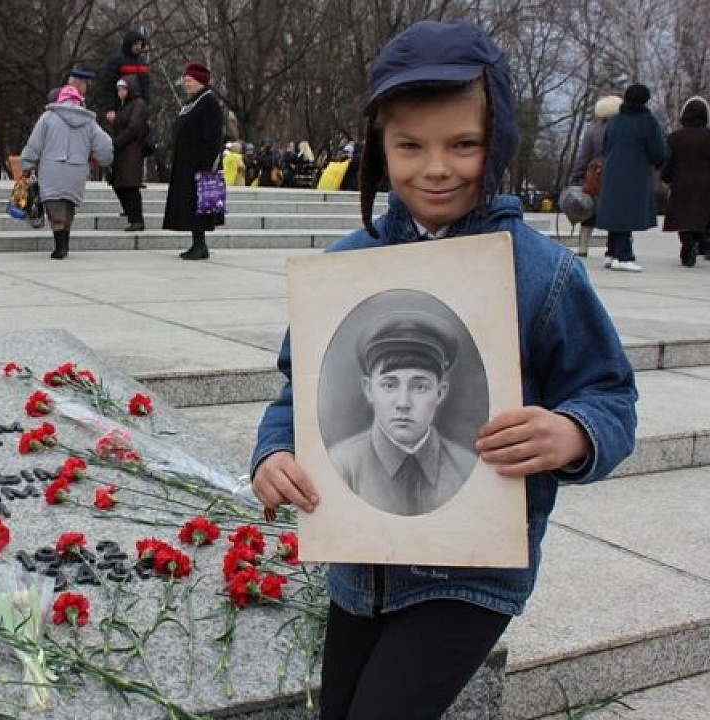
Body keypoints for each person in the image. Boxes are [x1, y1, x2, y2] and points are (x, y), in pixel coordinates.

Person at [249, 21, 636, 720]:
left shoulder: (541, 273)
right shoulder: (345, 267)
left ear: (501, 140)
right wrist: (274, 451)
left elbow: (609, 392)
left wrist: (573, 433)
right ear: (379, 150)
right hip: (357, 569)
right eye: (410, 146)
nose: (437, 167)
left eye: (464, 143)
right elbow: (296, 386)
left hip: (472, 572)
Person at [326, 311, 478, 517]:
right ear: (369, 389)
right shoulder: (340, 467)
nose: (403, 403)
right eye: (389, 385)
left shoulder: (467, 467)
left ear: (440, 392)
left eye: (420, 387)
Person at [19, 85, 113, 259]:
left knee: (54, 208)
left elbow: (34, 144)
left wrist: (27, 164)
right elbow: (105, 145)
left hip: (52, 169)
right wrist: (104, 159)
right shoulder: (89, 121)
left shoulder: (48, 117)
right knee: (68, 207)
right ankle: (65, 245)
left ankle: (59, 247)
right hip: (77, 171)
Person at [593, 84, 667, 273]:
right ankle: (624, 256)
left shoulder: (615, 121)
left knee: (616, 212)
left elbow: (605, 145)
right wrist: (659, 163)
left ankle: (611, 253)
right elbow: (658, 151)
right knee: (627, 213)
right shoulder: (647, 121)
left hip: (612, 171)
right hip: (635, 173)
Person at [162, 61, 224, 260]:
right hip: (188, 164)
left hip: (200, 166)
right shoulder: (192, 103)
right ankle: (196, 243)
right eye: (185, 80)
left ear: (200, 82)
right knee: (191, 206)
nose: (185, 84)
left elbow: (213, 138)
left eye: (189, 80)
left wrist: (205, 166)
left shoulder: (208, 102)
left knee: (199, 206)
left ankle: (200, 245)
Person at [661, 97, 710, 267]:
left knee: (682, 218)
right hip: (706, 183)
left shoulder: (675, 137)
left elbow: (668, 161)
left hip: (681, 182)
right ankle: (696, 242)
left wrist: (666, 178)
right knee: (701, 217)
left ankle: (687, 244)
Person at [567, 95, 621, 259]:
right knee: (616, 212)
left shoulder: (592, 130)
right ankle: (613, 249)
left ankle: (583, 246)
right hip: (617, 172)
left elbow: (583, 156)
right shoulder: (622, 130)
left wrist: (576, 177)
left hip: (595, 173)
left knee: (589, 210)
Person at [109, 75, 148, 232]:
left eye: (123, 88)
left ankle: (137, 219)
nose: (120, 92)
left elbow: (133, 127)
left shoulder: (138, 104)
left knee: (130, 184)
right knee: (118, 183)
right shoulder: (124, 105)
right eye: (118, 88)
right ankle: (129, 211)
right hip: (121, 150)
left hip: (131, 150)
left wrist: (116, 142)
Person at [99, 30, 150, 123]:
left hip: (138, 106)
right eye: (136, 44)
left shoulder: (142, 62)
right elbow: (108, 85)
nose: (138, 47)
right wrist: (110, 108)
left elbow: (146, 85)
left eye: (140, 44)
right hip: (121, 105)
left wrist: (147, 105)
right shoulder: (116, 60)